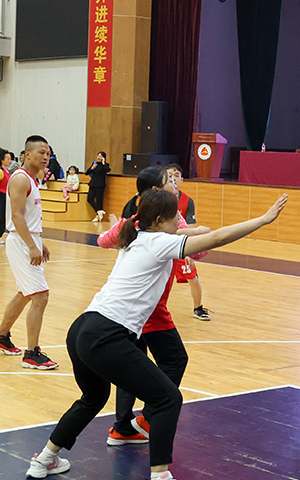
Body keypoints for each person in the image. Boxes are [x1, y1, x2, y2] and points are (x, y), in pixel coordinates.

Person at [25, 188, 287, 480]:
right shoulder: (159, 243)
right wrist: (263, 220)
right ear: (161, 220)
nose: (180, 219)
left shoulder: (135, 236)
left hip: (82, 329)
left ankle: (45, 459)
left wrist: (196, 229)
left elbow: (189, 233)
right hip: (107, 335)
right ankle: (160, 475)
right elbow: (216, 239)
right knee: (168, 399)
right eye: (176, 215)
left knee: (92, 398)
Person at [97, 166, 209, 446]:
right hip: (149, 309)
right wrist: (192, 233)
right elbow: (202, 249)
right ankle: (147, 417)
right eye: (169, 180)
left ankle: (123, 428)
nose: (175, 183)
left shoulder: (139, 220)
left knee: (130, 368)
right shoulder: (154, 222)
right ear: (157, 190)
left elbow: (103, 240)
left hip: (135, 308)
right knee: (175, 359)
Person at [0, 135, 59, 370]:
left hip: (27, 240)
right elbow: (16, 216)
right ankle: (32, 354)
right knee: (41, 296)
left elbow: (29, 217)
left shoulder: (32, 179)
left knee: (26, 293)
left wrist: (39, 242)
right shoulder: (20, 179)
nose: (46, 157)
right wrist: (31, 245)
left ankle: (1, 336)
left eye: (48, 154)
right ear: (27, 154)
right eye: (41, 153)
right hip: (20, 242)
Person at [166, 163, 210, 320]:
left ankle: (198, 308)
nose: (173, 179)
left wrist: (188, 251)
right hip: (162, 244)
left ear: (181, 180)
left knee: (193, 278)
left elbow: (190, 228)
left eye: (176, 175)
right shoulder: (158, 199)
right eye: (169, 176)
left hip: (179, 245)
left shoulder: (186, 201)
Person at [86, 151, 110, 221]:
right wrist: (92, 168)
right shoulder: (94, 164)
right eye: (98, 156)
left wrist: (103, 163)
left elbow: (107, 170)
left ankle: (98, 216)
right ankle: (99, 211)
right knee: (89, 199)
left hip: (100, 184)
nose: (99, 157)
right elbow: (87, 172)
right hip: (93, 183)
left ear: (104, 158)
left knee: (99, 200)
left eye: (101, 156)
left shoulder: (105, 165)